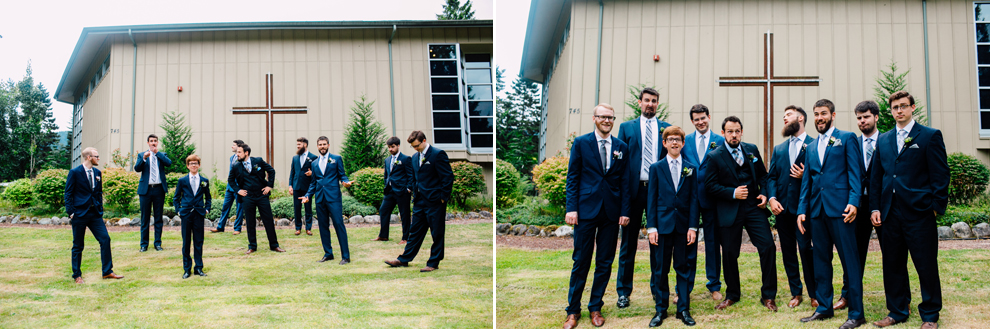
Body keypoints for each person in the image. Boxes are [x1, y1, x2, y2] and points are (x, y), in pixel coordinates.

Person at [869, 91, 948, 329]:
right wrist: (874, 206)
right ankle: (897, 310)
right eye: (895, 107)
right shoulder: (883, 139)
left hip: (919, 213)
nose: (899, 110)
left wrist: (935, 207)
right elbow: (876, 177)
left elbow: (941, 174)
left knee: (925, 264)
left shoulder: (929, 136)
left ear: (912, 107)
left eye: (904, 106)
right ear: (891, 111)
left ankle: (931, 315)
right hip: (889, 213)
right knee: (892, 264)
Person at [558, 104, 630, 329]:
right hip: (585, 211)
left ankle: (595, 306)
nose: (607, 120)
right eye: (602, 117)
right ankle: (572, 311)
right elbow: (573, 177)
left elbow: (625, 182)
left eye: (610, 117)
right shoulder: (581, 143)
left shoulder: (621, 147)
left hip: (611, 212)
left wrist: (625, 211)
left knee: (605, 262)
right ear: (594, 118)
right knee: (581, 261)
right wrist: (571, 208)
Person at [796, 99, 865, 329]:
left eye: (823, 113)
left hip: (841, 210)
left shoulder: (847, 139)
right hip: (817, 212)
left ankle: (856, 314)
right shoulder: (811, 147)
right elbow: (807, 181)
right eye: (816, 114)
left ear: (833, 115)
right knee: (821, 261)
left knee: (850, 262)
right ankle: (824, 308)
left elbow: (855, 173)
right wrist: (801, 211)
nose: (819, 118)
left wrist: (854, 202)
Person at [703, 116, 777, 312]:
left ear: (741, 132)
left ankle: (768, 295)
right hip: (729, 209)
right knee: (728, 253)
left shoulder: (751, 149)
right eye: (730, 131)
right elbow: (709, 186)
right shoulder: (714, 156)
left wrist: (763, 193)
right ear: (723, 133)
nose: (734, 135)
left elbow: (763, 174)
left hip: (754, 207)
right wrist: (732, 193)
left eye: (737, 131)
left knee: (768, 246)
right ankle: (732, 294)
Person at [615, 87, 670, 309]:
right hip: (633, 191)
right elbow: (619, 163)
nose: (650, 104)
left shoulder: (666, 129)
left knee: (658, 243)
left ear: (657, 104)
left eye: (654, 101)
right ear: (640, 102)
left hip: (656, 193)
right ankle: (623, 292)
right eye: (646, 100)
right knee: (628, 244)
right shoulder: (626, 128)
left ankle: (657, 289)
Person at [645, 126, 699, 327]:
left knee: (683, 267)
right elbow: (651, 200)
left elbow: (694, 200)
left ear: (683, 143)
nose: (674, 142)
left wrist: (693, 227)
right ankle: (660, 310)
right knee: (660, 269)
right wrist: (652, 228)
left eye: (678, 139)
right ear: (664, 143)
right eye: (670, 139)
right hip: (662, 227)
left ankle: (683, 309)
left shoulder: (690, 168)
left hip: (684, 227)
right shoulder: (656, 168)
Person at [767, 105, 818, 309]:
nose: (784, 118)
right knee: (788, 252)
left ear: (801, 118)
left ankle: (814, 293)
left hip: (804, 209)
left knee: (806, 249)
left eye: (788, 115)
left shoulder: (814, 144)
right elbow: (771, 176)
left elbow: (823, 174)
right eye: (784, 115)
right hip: (783, 210)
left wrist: (806, 174)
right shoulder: (779, 149)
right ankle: (796, 292)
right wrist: (772, 198)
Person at [835, 100, 883, 311]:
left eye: (866, 117)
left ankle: (901, 301)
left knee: (893, 255)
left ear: (876, 117)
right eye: (859, 118)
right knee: (853, 255)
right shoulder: (851, 142)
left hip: (882, 207)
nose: (862, 121)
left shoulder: (887, 141)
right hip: (857, 206)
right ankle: (847, 296)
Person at [384, 131, 454, 273]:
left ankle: (433, 262)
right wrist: (415, 196)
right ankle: (404, 259)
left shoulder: (437, 154)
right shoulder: (415, 157)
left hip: (435, 201)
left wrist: (442, 197)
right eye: (412, 147)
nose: (415, 149)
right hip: (420, 201)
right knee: (414, 232)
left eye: (416, 145)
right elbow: (416, 179)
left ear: (423, 141)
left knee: (437, 233)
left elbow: (447, 177)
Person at [681, 104, 726, 301]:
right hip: (689, 199)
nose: (700, 122)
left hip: (712, 199)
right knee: (687, 243)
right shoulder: (685, 141)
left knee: (712, 243)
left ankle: (714, 285)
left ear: (709, 117)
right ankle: (685, 286)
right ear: (692, 121)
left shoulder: (721, 141)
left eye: (703, 118)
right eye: (696, 119)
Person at [65, 147, 123, 283]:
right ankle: (77, 275)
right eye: (96, 156)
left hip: (95, 214)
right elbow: (68, 193)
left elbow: (98, 193)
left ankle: (107, 272)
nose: (98, 158)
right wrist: (71, 213)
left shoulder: (97, 172)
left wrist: (100, 209)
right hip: (79, 214)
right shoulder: (74, 172)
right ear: (88, 157)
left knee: (105, 239)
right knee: (78, 245)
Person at [299, 136, 353, 265]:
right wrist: (307, 195)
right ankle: (328, 254)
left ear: (328, 145)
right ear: (317, 146)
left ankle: (345, 256)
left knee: (339, 225)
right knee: (323, 227)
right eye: (320, 145)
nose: (322, 147)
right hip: (320, 199)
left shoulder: (336, 159)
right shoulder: (314, 163)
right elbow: (313, 183)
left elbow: (342, 175)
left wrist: (345, 182)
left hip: (333, 198)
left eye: (324, 144)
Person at [227, 144, 284, 254]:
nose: (237, 154)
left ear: (246, 153)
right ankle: (252, 246)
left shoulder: (258, 161)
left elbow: (271, 171)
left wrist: (269, 186)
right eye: (236, 152)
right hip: (247, 197)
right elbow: (231, 180)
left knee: (268, 220)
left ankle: (274, 245)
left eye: (239, 152)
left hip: (261, 194)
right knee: (250, 221)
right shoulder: (236, 166)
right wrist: (238, 190)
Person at [173, 154, 212, 279]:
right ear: (188, 166)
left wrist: (206, 209)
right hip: (186, 214)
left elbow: (208, 197)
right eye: (191, 163)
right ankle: (186, 269)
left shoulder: (204, 181)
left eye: (196, 163)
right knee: (186, 242)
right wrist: (179, 210)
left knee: (198, 241)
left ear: (199, 165)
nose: (193, 165)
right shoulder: (182, 181)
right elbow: (176, 197)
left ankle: (199, 268)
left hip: (199, 214)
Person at [134, 134, 172, 251]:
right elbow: (137, 168)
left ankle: (158, 244)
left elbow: (168, 163)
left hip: (159, 190)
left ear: (157, 142)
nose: (153, 143)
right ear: (148, 143)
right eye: (151, 141)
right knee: (145, 218)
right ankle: (144, 245)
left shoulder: (162, 155)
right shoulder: (142, 155)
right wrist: (144, 158)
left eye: (155, 141)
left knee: (158, 218)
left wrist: (157, 153)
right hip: (145, 190)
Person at [373, 136, 414, 243]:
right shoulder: (387, 160)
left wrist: (409, 188)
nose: (391, 149)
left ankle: (405, 238)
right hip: (390, 191)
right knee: (383, 210)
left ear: (398, 146)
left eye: (393, 147)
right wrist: (386, 185)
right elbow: (387, 175)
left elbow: (410, 175)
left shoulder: (406, 159)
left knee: (404, 214)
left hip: (402, 192)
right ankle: (383, 236)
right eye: (389, 147)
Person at [212, 140, 245, 235]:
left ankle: (237, 228)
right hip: (229, 187)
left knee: (239, 208)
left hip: (239, 188)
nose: (231, 146)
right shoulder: (231, 158)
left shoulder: (243, 158)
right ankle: (220, 227)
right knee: (225, 207)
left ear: (239, 147)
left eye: (233, 145)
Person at [289, 137, 318, 236]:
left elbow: (318, 172)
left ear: (305, 145)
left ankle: (308, 228)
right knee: (297, 208)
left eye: (299, 144)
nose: (297, 146)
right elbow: (292, 173)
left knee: (308, 208)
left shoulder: (313, 157)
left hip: (308, 187)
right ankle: (298, 228)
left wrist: (312, 173)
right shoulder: (295, 158)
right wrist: (290, 186)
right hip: (296, 186)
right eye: (297, 144)